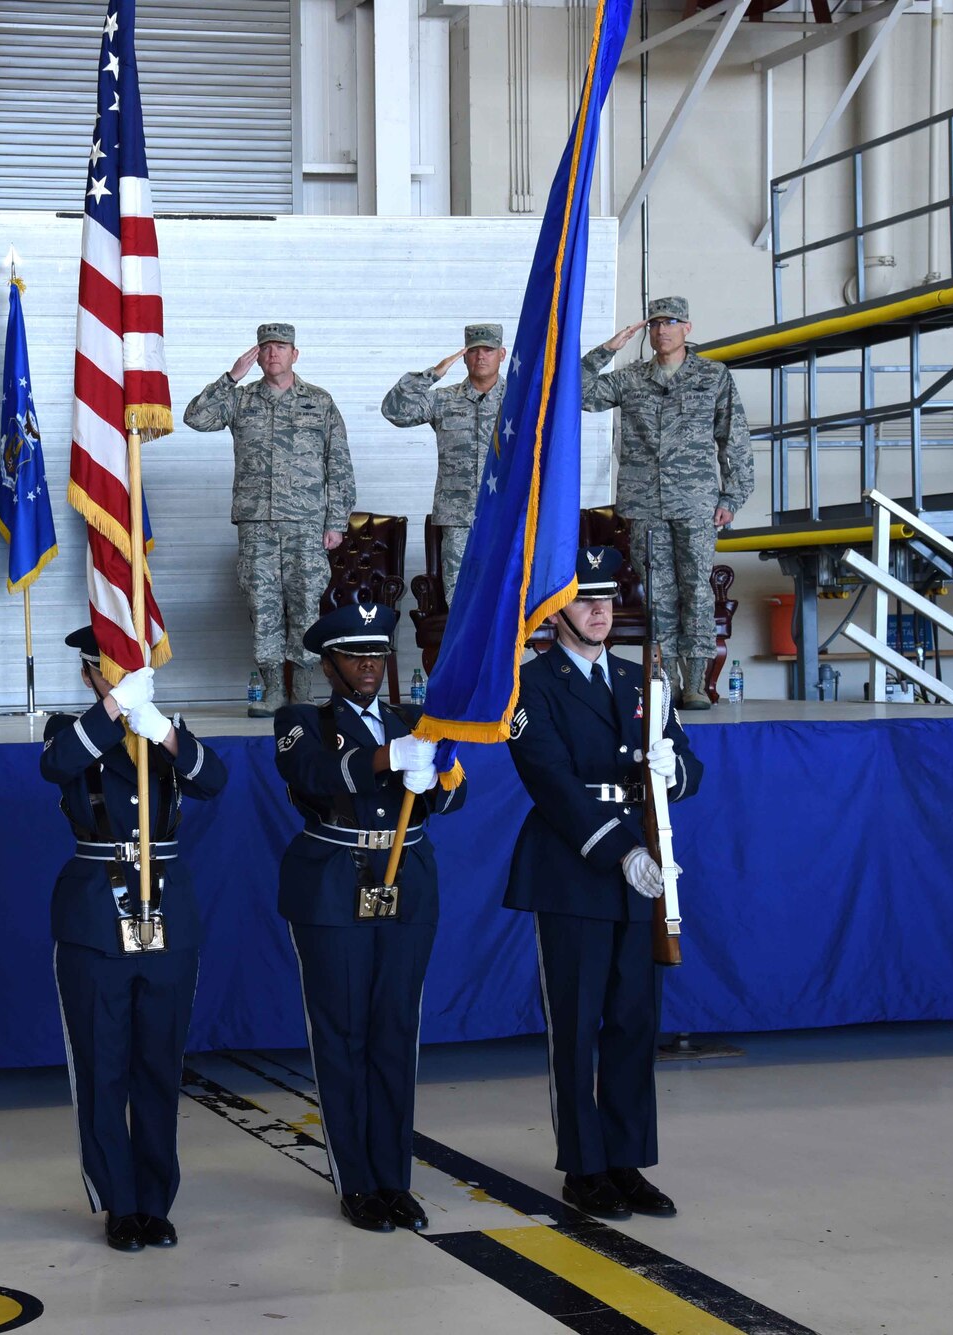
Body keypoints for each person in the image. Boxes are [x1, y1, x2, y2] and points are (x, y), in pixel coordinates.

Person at [502, 546, 700, 1220]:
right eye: (586, 600)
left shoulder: (642, 678)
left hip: (643, 873)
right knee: (579, 1024)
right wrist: (620, 850)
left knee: (634, 1023)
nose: (599, 611)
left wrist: (672, 769)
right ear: (558, 610)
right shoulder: (533, 685)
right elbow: (553, 784)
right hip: (574, 868)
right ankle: (584, 1167)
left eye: (608, 599)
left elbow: (690, 767)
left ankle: (626, 1160)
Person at [272, 601, 465, 1233]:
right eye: (354, 656)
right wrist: (387, 758)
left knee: (394, 1034)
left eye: (377, 654)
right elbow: (312, 776)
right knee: (343, 1035)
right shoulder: (301, 720)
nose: (369, 666)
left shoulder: (414, 719)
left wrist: (440, 763)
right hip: (334, 883)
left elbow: (458, 798)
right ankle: (355, 1180)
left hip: (406, 883)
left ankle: (393, 1178)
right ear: (328, 665)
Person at [39, 628, 228, 1253]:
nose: (117, 680)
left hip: (167, 910)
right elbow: (56, 765)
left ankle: (154, 1200)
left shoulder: (162, 728)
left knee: (157, 1065)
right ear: (92, 674)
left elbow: (213, 780)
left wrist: (160, 729)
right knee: (102, 1066)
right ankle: (118, 1203)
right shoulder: (71, 728)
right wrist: (116, 711)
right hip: (97, 911)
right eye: (109, 673)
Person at [582, 296, 753, 709]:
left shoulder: (712, 376)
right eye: (655, 323)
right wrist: (609, 348)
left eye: (671, 322)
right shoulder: (630, 378)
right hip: (645, 504)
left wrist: (733, 494)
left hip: (696, 501)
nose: (662, 330)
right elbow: (578, 392)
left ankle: (695, 683)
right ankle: (666, 680)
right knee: (658, 593)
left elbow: (736, 438)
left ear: (687, 329)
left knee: (695, 589)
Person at [184, 322, 355, 716]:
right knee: (263, 606)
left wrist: (336, 522)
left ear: (295, 354)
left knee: (305, 605)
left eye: (281, 347)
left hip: (306, 525)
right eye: (266, 348)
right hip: (257, 525)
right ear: (256, 356)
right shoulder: (240, 400)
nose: (273, 353)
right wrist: (230, 378)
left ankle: (304, 691)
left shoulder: (320, 401)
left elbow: (339, 465)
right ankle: (274, 689)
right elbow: (196, 417)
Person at [381, 323, 507, 600]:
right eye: (473, 351)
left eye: (488, 350)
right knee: (459, 599)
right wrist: (431, 374)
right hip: (458, 517)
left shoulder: (520, 401)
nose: (481, 357)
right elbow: (393, 411)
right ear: (464, 357)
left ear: (503, 354)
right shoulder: (444, 400)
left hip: (507, 515)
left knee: (507, 600)